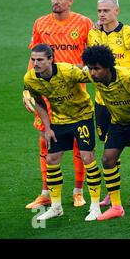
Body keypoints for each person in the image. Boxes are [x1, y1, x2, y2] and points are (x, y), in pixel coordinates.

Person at [23, 0, 93, 209]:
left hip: (74, 95)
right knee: (45, 141)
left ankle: (78, 191)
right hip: (47, 94)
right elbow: (34, 57)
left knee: (77, 144)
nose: (56, 2)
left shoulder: (83, 23)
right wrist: (27, 88)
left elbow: (90, 56)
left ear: (70, 1)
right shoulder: (41, 24)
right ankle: (46, 193)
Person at [23, 44, 101, 221]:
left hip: (82, 116)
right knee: (51, 159)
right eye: (33, 59)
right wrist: (48, 128)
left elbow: (95, 75)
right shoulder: (30, 79)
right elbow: (40, 102)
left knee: (88, 157)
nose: (35, 63)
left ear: (51, 59)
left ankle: (95, 207)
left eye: (40, 60)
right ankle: (56, 207)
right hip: (59, 120)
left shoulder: (68, 71)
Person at [81, 45, 130, 222]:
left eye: (97, 69)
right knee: (107, 159)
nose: (92, 73)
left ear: (108, 66)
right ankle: (116, 206)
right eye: (91, 68)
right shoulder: (93, 76)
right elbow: (73, 72)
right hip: (119, 123)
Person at [87, 0, 130, 208]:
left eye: (105, 10)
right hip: (103, 101)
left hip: (129, 102)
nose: (102, 14)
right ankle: (113, 194)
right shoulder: (93, 33)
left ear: (116, 11)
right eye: (99, 11)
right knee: (112, 147)